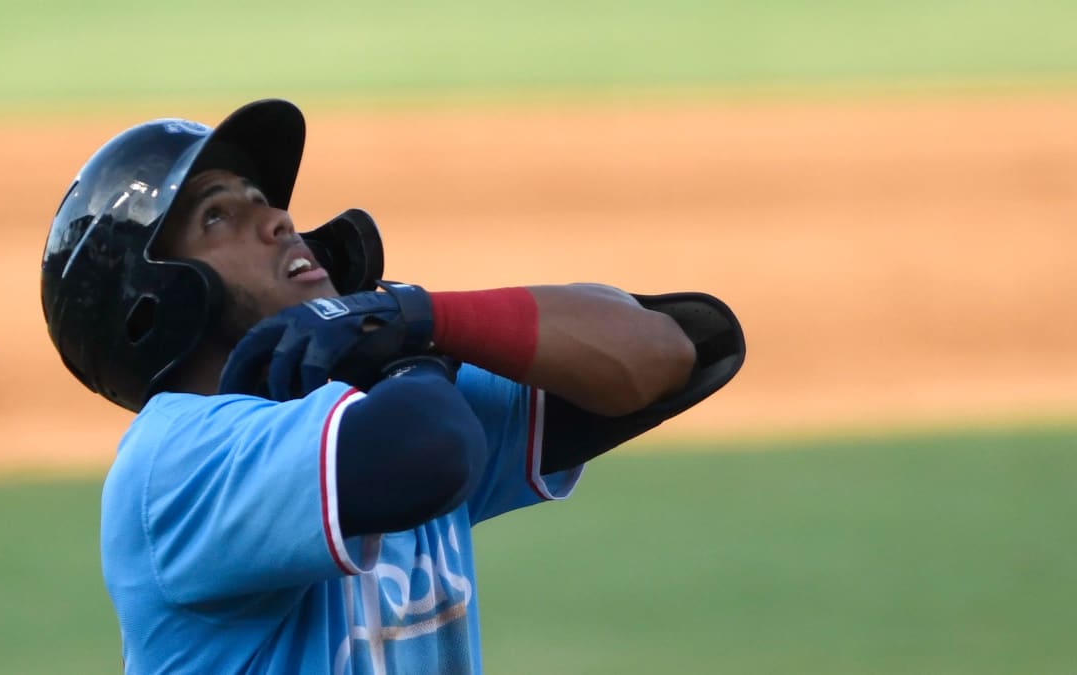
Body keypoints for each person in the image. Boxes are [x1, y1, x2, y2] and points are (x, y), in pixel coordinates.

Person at [40, 98, 745, 674]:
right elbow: (427, 454)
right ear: (152, 301)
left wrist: (422, 315)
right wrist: (406, 348)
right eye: (217, 216)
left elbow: (672, 350)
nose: (280, 220)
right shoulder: (175, 462)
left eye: (264, 199)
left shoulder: (383, 398)